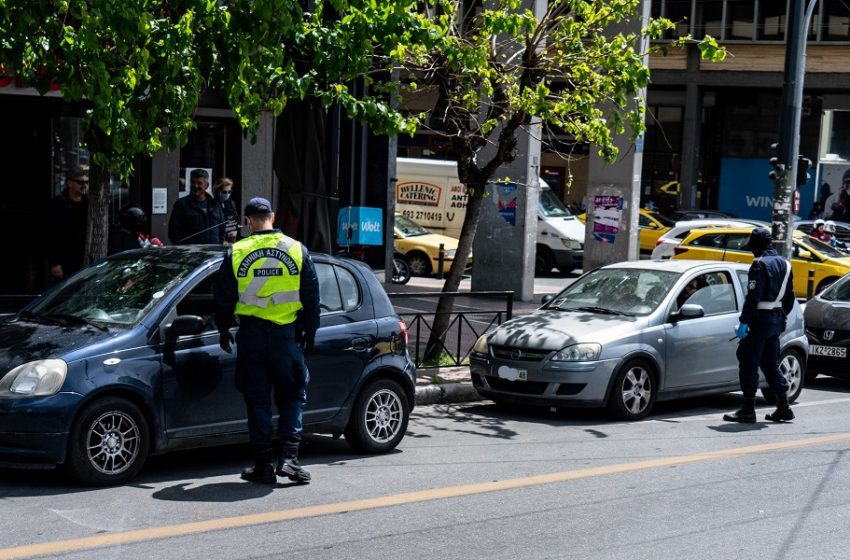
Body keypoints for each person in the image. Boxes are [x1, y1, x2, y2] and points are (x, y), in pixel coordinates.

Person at [214, 197, 320, 484]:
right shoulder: (297, 250)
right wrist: (311, 332)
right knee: (293, 394)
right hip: (286, 336)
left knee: (257, 400)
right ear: (272, 216)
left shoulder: (237, 251)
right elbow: (311, 298)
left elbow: (223, 299)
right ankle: (289, 459)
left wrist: (223, 331)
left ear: (247, 220)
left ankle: (262, 464)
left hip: (251, 337)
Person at [723, 227, 796, 424]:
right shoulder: (785, 264)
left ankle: (747, 409)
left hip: (761, 320)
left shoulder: (759, 264)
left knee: (748, 360)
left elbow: (753, 297)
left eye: (752, 246)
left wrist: (744, 322)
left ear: (757, 245)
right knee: (769, 362)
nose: (751, 250)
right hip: (777, 319)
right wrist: (781, 317)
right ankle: (783, 406)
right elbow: (790, 298)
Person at [45, 165, 89, 284]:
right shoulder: (57, 204)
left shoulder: (88, 204)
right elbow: (50, 235)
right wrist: (55, 263)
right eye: (80, 182)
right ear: (70, 183)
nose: (84, 185)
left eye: (86, 182)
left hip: (84, 261)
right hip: (64, 261)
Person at [167, 169, 225, 244]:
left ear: (206, 185)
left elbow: (222, 229)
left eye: (199, 183)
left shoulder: (215, 205)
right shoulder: (181, 204)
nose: (195, 186)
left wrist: (220, 243)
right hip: (191, 254)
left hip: (214, 253)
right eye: (193, 182)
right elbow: (173, 232)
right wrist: (183, 250)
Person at [213, 177, 240, 244]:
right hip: (220, 242)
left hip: (233, 239)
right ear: (218, 191)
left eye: (229, 192)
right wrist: (221, 240)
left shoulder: (231, 203)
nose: (227, 194)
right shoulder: (212, 205)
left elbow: (236, 219)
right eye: (224, 192)